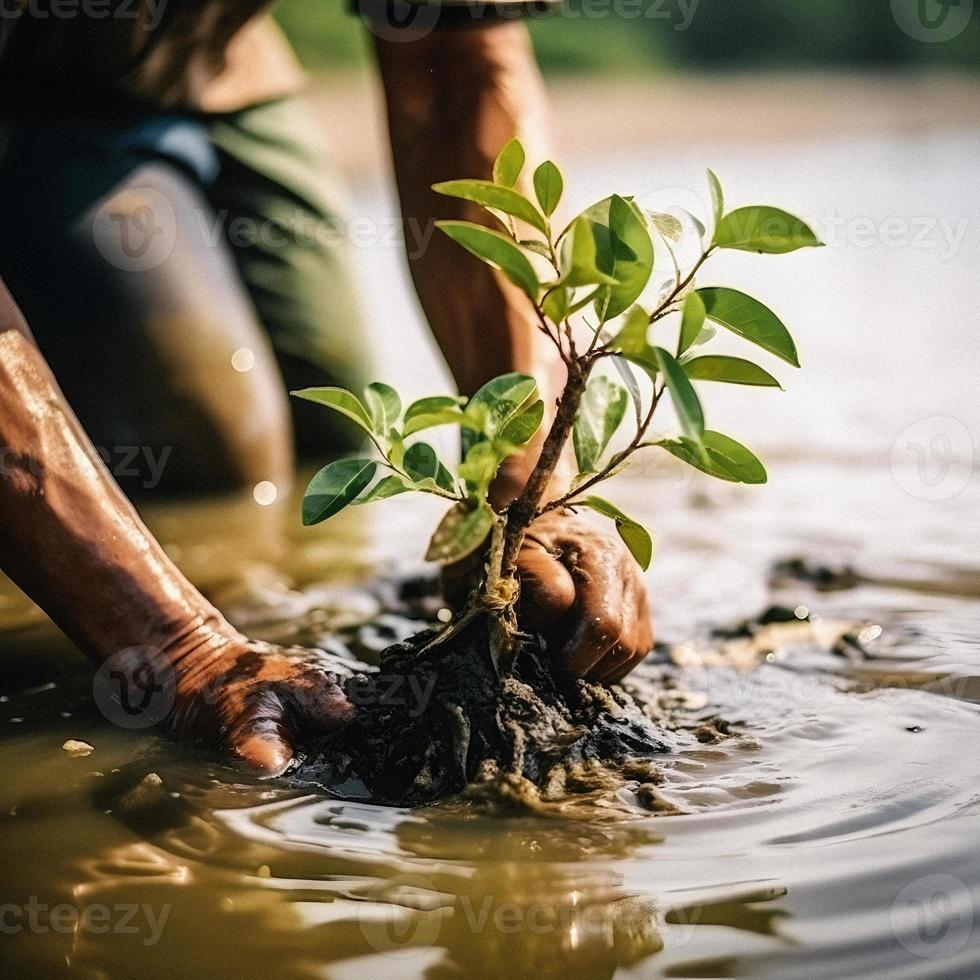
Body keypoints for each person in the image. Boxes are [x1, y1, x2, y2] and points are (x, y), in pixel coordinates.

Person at [0, 1, 653, 775]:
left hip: (219, 64)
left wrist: (524, 476)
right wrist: (179, 649)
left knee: (332, 436)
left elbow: (457, 67)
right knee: (202, 449)